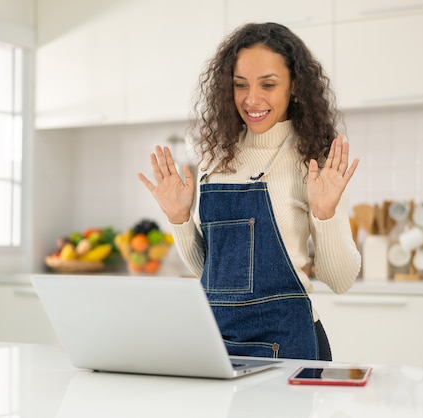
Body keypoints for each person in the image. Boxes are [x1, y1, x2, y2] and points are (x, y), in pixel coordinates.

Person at [138, 22, 361, 361]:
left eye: (268, 85)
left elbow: (340, 280)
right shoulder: (215, 156)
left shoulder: (314, 161)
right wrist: (179, 220)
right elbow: (213, 274)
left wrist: (325, 214)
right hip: (220, 345)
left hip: (290, 345)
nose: (251, 99)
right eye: (240, 85)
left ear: (295, 86)